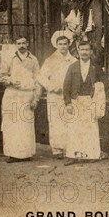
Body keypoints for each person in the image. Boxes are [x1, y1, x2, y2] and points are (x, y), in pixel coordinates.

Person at [0, 36, 40, 163]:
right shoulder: (10, 58)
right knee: (12, 124)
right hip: (12, 94)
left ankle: (26, 153)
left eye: (23, 43)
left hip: (27, 95)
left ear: (27, 44)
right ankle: (13, 154)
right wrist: (10, 81)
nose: (21, 45)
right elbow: (0, 77)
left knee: (26, 124)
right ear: (16, 45)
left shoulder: (33, 60)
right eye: (19, 43)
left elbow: (38, 79)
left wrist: (36, 98)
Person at [63, 40, 106, 165]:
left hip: (90, 100)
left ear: (91, 51)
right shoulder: (73, 67)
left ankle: (91, 154)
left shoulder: (96, 67)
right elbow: (66, 86)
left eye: (87, 50)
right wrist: (68, 103)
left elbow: (105, 81)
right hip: (76, 100)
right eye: (82, 50)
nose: (84, 52)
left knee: (90, 128)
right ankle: (73, 155)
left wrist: (98, 87)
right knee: (74, 128)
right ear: (78, 51)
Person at [37, 30, 75, 158]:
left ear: (69, 44)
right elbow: (41, 77)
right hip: (55, 95)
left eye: (65, 44)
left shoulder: (73, 60)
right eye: (60, 44)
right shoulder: (50, 60)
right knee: (56, 121)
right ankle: (57, 149)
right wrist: (52, 87)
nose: (63, 46)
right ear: (56, 45)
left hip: (69, 96)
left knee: (69, 120)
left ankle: (69, 147)